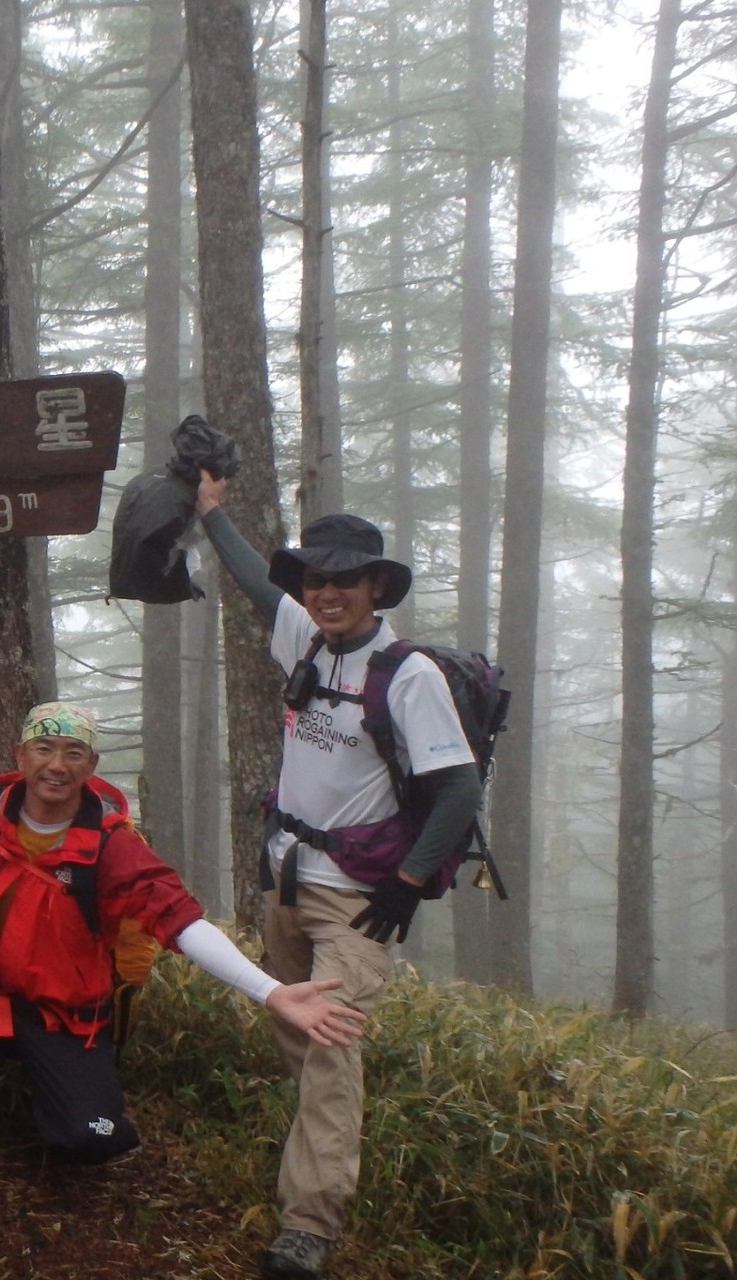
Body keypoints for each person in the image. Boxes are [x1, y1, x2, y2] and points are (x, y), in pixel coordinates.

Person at [0, 702, 366, 1181]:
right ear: (20, 755)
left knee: (90, 1137)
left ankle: (75, 1107)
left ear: (91, 764)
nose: (57, 765)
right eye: (44, 749)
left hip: (68, 1023)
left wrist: (271, 992)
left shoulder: (114, 847)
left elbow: (182, 924)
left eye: (73, 753)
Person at [194, 474, 483, 1279]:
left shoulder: (409, 673)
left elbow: (459, 786)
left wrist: (410, 880)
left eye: (343, 580)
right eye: (316, 579)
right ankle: (326, 1139)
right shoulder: (308, 640)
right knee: (300, 1029)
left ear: (376, 587)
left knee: (324, 1048)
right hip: (286, 874)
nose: (326, 592)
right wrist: (214, 511)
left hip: (357, 894)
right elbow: (256, 582)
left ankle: (308, 1225)